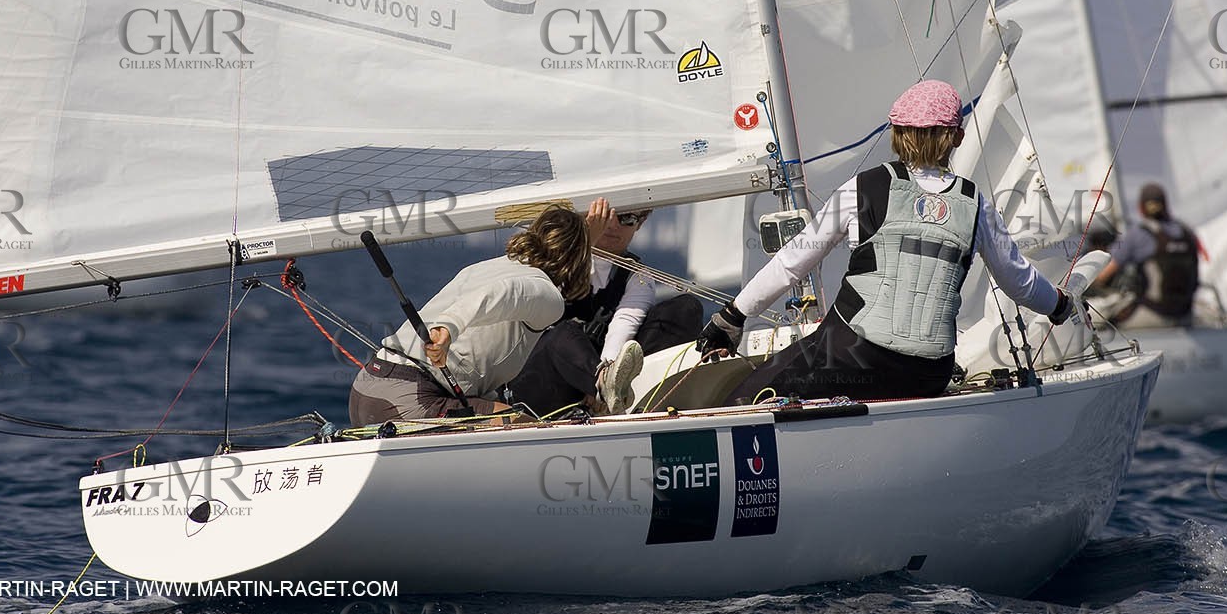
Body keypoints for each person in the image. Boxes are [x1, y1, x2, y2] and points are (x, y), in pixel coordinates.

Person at [695, 79, 1076, 404]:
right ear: (957, 137)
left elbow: (792, 262)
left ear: (896, 135)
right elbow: (1020, 283)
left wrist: (732, 317)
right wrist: (1059, 304)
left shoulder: (863, 189)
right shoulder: (977, 206)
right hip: (928, 373)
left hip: (850, 357)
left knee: (743, 401)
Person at [348, 205, 592, 425]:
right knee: (527, 427)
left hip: (366, 389)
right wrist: (448, 329)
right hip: (410, 401)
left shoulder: (484, 267)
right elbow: (507, 293)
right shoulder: (548, 296)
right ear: (579, 259)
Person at [509, 199, 704, 417]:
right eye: (601, 216)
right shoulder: (548, 259)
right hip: (542, 388)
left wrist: (604, 379)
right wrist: (584, 241)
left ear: (641, 222)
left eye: (626, 219)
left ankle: (614, 393)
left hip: (602, 393)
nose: (611, 225)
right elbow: (548, 288)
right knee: (563, 333)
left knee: (686, 309)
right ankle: (605, 388)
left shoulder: (638, 278)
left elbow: (624, 325)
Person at [1092, 182, 1200, 328]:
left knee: (1105, 325)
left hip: (1154, 315)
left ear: (1141, 208)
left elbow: (1102, 275)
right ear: (1166, 205)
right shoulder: (1187, 233)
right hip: (1186, 315)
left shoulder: (1138, 234)